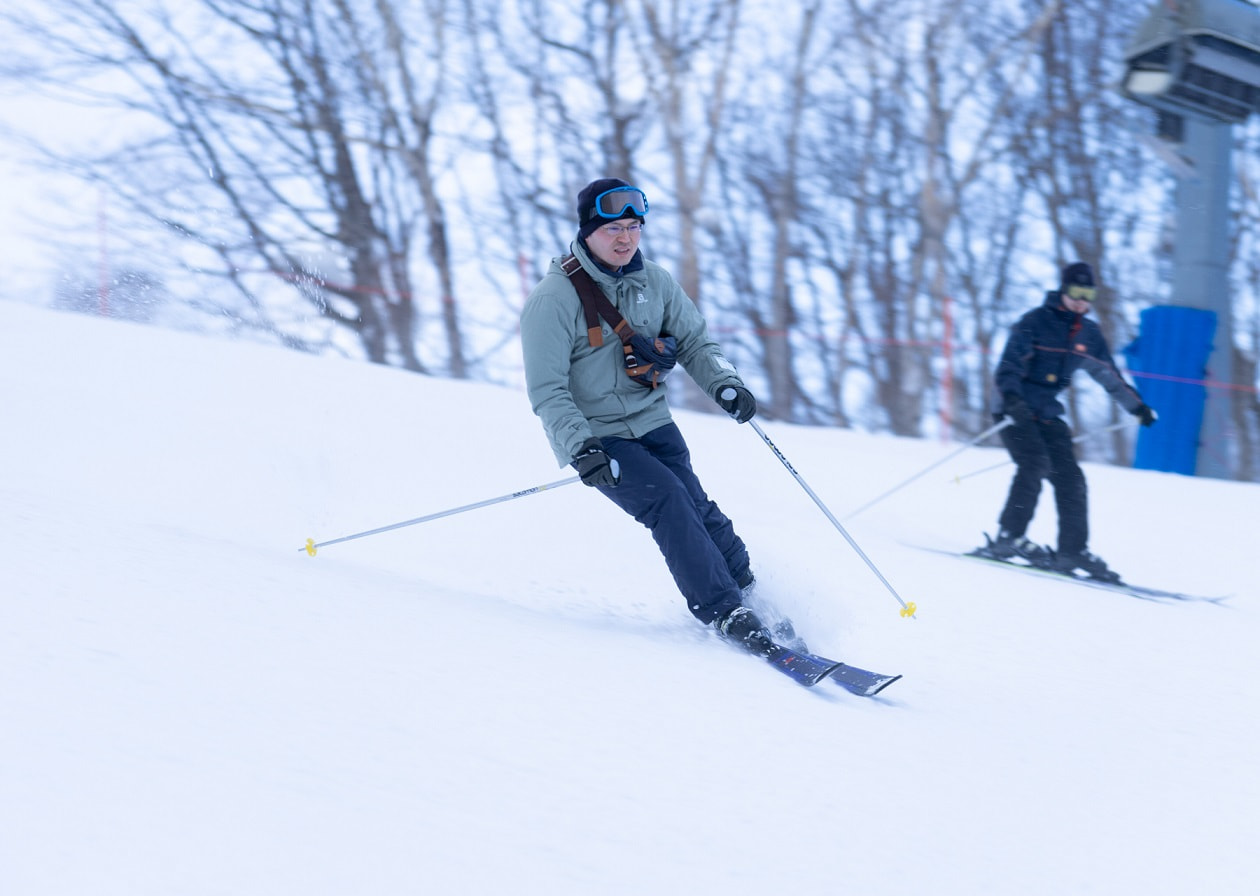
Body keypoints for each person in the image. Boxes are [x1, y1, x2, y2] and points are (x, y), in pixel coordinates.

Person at [520, 177, 770, 652]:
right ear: (587, 231)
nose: (625, 238)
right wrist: (580, 447)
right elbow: (547, 390)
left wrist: (726, 384)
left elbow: (697, 341)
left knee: (697, 504)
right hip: (599, 437)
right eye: (612, 228)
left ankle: (751, 590)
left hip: (653, 420)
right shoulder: (553, 300)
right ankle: (724, 611)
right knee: (669, 503)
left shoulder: (654, 282)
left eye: (634, 227)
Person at [980, 262, 1157, 583]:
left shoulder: (1088, 335)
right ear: (1063, 290)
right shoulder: (1033, 323)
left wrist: (1137, 408)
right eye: (1075, 292)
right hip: (1013, 407)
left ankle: (1071, 551)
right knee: (1034, 463)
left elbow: (1109, 375)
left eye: (1087, 294)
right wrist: (1012, 399)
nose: (1080, 300)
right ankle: (1008, 537)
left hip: (1047, 412)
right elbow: (1008, 367)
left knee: (1071, 478)